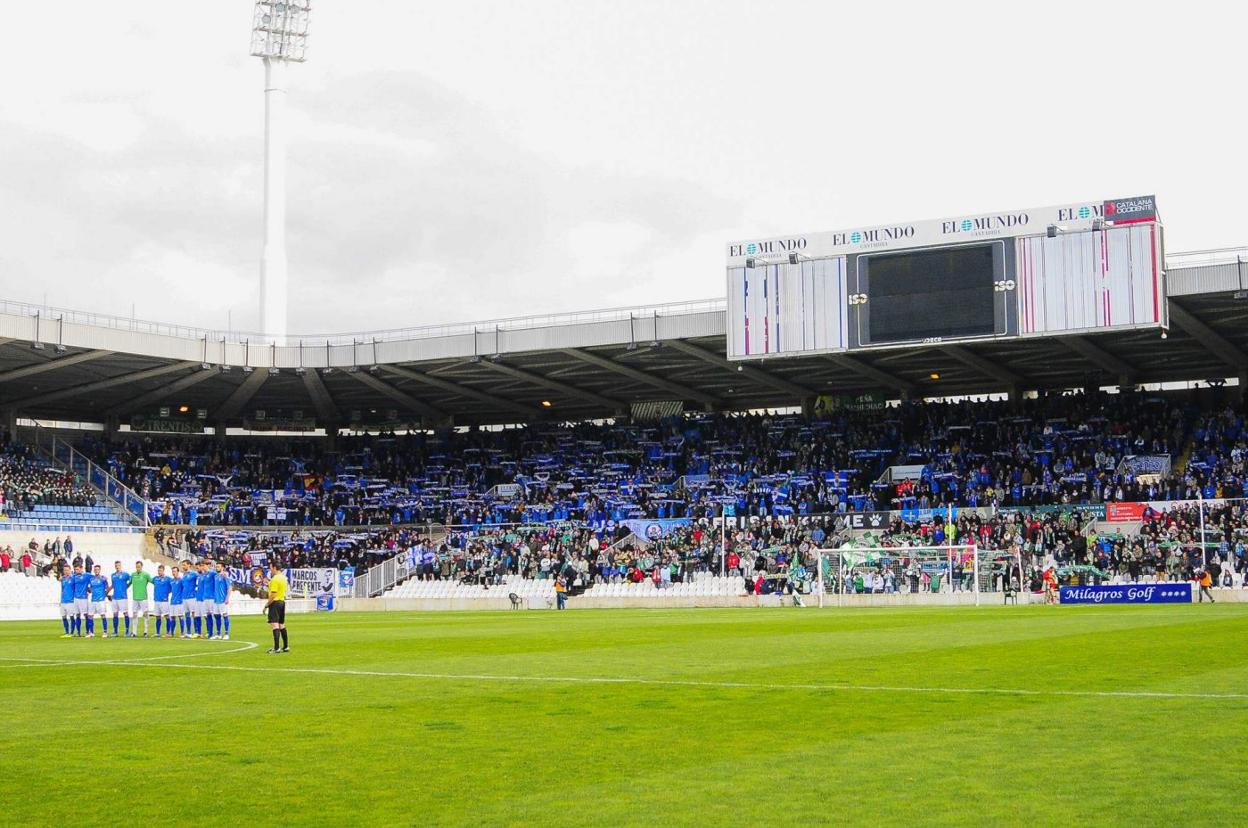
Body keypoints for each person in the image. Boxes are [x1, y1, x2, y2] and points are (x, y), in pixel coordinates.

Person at [265, 563, 289, 654]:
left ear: (275, 568)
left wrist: (267, 604)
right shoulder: (283, 578)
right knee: (281, 624)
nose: (270, 570)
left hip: (275, 603)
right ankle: (286, 646)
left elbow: (273, 594)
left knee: (275, 625)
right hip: (282, 602)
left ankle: (276, 648)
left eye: (271, 568)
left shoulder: (275, 579)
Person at [130, 560, 154, 638]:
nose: (138, 568)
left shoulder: (146, 575)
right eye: (137, 567)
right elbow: (128, 584)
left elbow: (153, 582)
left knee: (145, 614)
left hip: (143, 598)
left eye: (139, 567)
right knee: (134, 614)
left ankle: (145, 631)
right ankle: (134, 632)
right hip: (135, 598)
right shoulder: (133, 575)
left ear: (142, 567)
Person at [110, 560, 132, 638]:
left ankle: (127, 631)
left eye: (118, 565)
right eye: (116, 565)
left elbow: (131, 581)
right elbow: (113, 585)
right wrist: (107, 593)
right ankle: (115, 631)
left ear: (121, 566)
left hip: (123, 597)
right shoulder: (113, 575)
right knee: (115, 614)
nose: (117, 567)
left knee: (125, 613)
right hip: (115, 597)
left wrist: (126, 587)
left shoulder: (125, 574)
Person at [211, 561, 232, 640]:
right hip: (216, 600)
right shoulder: (216, 576)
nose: (217, 568)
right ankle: (218, 634)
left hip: (223, 600)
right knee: (217, 616)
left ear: (222, 568)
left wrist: (227, 598)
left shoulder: (225, 576)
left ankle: (226, 633)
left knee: (225, 616)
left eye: (218, 567)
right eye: (216, 567)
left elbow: (229, 587)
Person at [151, 565, 173, 638]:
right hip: (156, 600)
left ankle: (168, 632)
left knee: (167, 616)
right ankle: (157, 632)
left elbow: (173, 586)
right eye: (158, 570)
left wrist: (167, 592)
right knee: (157, 617)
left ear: (163, 570)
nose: (159, 572)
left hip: (164, 601)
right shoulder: (155, 579)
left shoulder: (168, 579)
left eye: (160, 570)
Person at [87, 565, 109, 638]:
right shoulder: (91, 579)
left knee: (102, 615)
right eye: (95, 569)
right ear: (94, 570)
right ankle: (91, 632)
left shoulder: (103, 579)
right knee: (90, 616)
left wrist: (105, 595)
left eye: (97, 569)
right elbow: (90, 589)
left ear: (100, 570)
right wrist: (88, 590)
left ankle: (105, 632)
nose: (96, 571)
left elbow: (107, 588)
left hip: (100, 600)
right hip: (93, 600)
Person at [194, 560, 213, 639]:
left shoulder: (207, 575)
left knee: (206, 616)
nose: (197, 569)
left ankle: (209, 632)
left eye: (198, 567)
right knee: (197, 616)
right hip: (197, 598)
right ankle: (199, 633)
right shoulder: (198, 576)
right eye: (196, 568)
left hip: (203, 599)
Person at [70, 562, 91, 637]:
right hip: (76, 598)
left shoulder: (87, 575)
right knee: (77, 615)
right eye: (75, 569)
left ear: (81, 569)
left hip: (83, 598)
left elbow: (94, 579)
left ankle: (88, 632)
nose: (76, 571)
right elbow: (72, 586)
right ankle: (78, 632)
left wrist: (89, 589)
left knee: (86, 615)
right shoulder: (74, 576)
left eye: (77, 569)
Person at [181, 560, 199, 639]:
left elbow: (200, 578)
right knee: (187, 615)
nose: (183, 566)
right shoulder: (184, 575)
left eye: (184, 565)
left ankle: (196, 632)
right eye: (182, 565)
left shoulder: (194, 573)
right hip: (184, 597)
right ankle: (188, 632)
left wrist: (196, 589)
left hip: (192, 597)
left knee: (194, 614)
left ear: (189, 565)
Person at [58, 564, 76, 638]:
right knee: (63, 617)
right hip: (63, 601)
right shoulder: (63, 579)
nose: (66, 571)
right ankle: (66, 632)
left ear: (70, 570)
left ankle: (72, 632)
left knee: (71, 617)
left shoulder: (73, 578)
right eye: (64, 570)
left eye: (67, 570)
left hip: (70, 601)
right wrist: (61, 599)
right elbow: (62, 590)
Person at [169, 566, 185, 638]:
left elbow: (185, 588)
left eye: (175, 571)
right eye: (172, 571)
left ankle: (182, 632)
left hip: (179, 602)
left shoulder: (181, 580)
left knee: (180, 617)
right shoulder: (171, 581)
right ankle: (172, 633)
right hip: (172, 601)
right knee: (172, 617)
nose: (173, 573)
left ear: (178, 572)